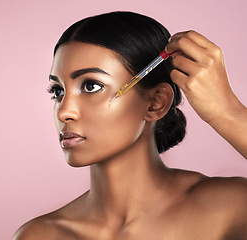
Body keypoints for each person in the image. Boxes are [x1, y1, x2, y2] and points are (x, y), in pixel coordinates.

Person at [13, 11, 247, 239]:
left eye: (91, 86)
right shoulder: (40, 235)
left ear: (156, 103)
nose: (64, 112)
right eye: (58, 91)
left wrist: (228, 113)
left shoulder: (230, 209)